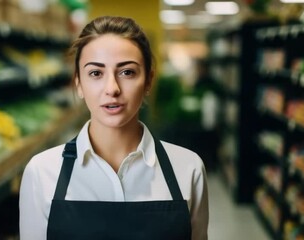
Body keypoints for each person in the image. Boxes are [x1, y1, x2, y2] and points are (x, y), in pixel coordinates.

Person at [19, 16, 209, 240]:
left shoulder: (188, 169)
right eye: (96, 73)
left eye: (127, 72)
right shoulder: (42, 172)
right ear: (78, 83)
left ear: (148, 81)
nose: (112, 88)